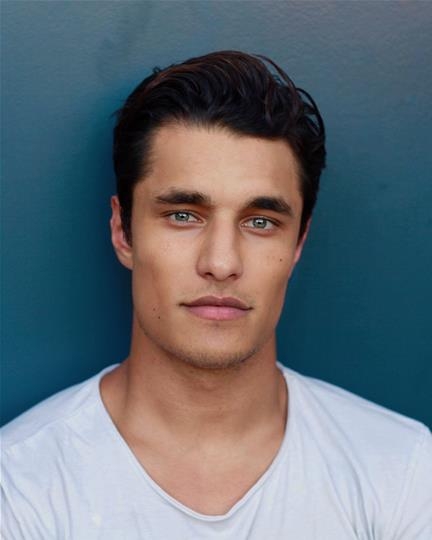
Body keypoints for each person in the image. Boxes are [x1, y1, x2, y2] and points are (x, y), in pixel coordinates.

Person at [1, 50, 431, 539]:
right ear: (123, 231)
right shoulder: (19, 487)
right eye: (183, 215)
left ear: (298, 243)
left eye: (260, 222)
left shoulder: (402, 473)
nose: (222, 263)